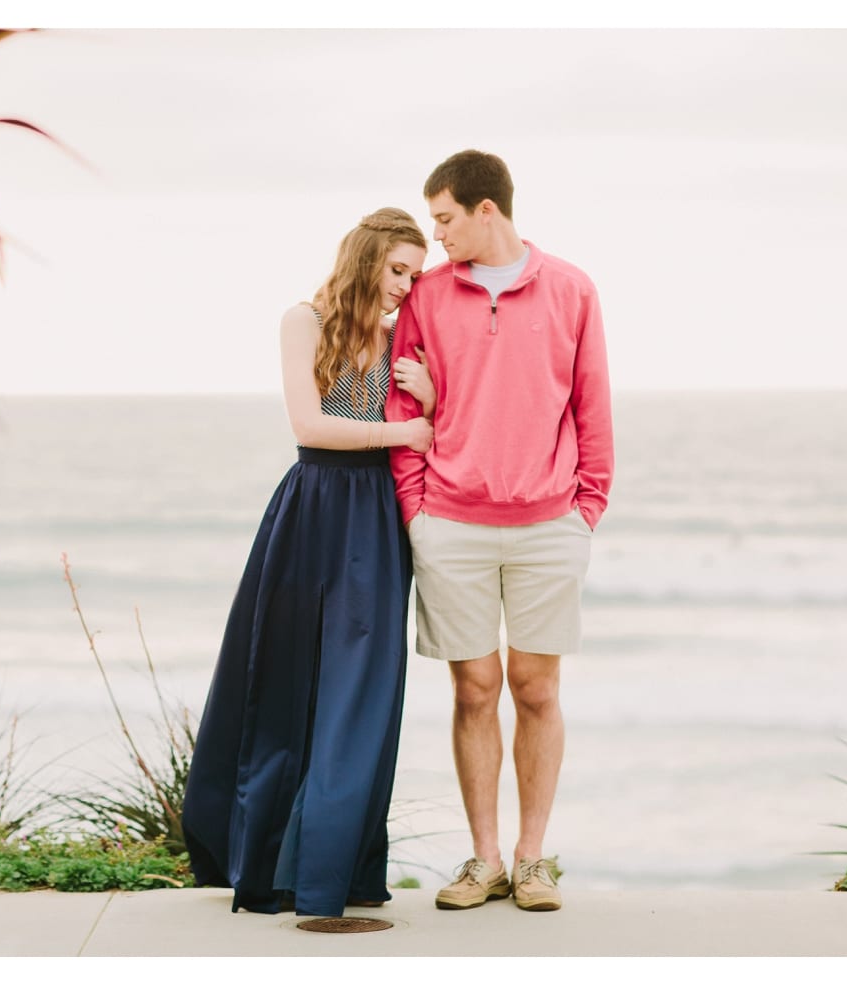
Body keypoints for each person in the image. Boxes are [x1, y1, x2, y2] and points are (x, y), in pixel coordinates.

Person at [182, 207, 435, 918]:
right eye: (397, 270)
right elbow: (309, 424)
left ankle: (333, 873)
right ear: (366, 257)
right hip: (311, 509)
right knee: (286, 684)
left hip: (376, 520)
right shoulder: (304, 321)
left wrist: (430, 401)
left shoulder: (398, 341)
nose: (405, 287)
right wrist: (405, 428)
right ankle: (269, 867)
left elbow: (438, 426)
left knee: (363, 696)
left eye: (415, 276)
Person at [386, 150, 613, 913]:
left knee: (536, 687)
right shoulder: (425, 296)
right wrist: (416, 512)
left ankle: (531, 859)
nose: (437, 233)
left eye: (445, 218)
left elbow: (592, 408)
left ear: (488, 210)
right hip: (451, 523)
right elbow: (400, 407)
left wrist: (586, 510)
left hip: (550, 524)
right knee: (474, 689)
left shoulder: (572, 289)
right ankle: (483, 858)